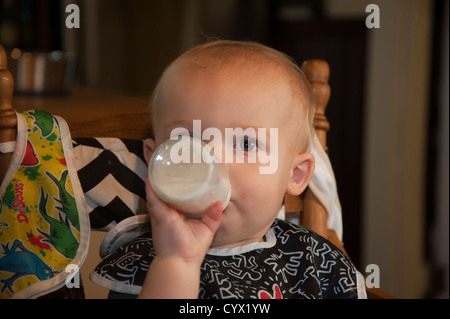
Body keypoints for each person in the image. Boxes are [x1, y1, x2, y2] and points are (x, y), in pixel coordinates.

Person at [92, 40, 366, 299]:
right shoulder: (150, 262)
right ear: (156, 163)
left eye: (246, 143)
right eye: (188, 141)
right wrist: (177, 262)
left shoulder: (314, 261)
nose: (212, 159)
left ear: (295, 175)